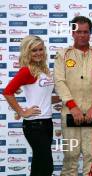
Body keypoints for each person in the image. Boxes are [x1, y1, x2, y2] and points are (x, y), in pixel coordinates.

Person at [54, 16, 92, 176]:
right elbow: (59, 82)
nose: (82, 35)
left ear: (90, 33)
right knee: (70, 156)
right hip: (70, 113)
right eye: (78, 32)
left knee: (91, 157)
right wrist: (73, 107)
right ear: (72, 33)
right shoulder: (63, 55)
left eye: (86, 32)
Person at [2, 35, 54, 176]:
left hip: (47, 122)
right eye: (33, 50)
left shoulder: (44, 70)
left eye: (40, 49)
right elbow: (7, 92)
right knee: (46, 166)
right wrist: (22, 111)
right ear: (27, 52)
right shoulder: (26, 71)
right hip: (34, 125)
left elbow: (44, 96)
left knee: (39, 165)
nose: (38, 53)